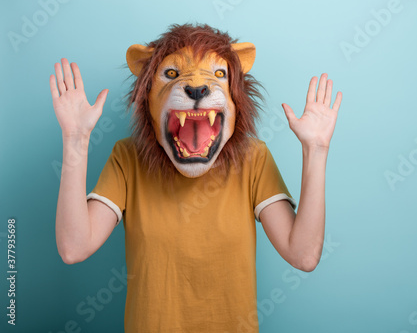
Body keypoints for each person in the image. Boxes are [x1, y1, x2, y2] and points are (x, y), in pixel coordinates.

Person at [50, 24, 342, 333]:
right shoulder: (128, 158)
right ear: (148, 99)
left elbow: (304, 255)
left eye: (218, 74)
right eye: (172, 74)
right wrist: (75, 139)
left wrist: (316, 148)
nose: (197, 88)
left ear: (236, 99)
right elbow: (73, 248)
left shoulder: (253, 158)